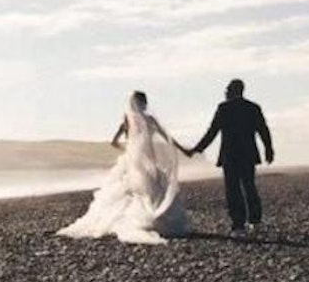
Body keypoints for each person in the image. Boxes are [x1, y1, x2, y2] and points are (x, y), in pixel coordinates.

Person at [58, 91, 188, 244]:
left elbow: (114, 142)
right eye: (144, 101)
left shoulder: (127, 121)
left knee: (131, 189)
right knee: (150, 188)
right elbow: (168, 138)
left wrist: (130, 151)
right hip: (148, 159)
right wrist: (184, 150)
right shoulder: (149, 120)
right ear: (143, 103)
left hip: (132, 160)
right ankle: (155, 220)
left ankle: (131, 219)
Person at [183, 79, 274, 239]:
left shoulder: (224, 108)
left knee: (233, 190)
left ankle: (239, 225)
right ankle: (255, 221)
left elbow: (212, 132)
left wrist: (197, 150)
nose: (225, 93)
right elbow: (263, 130)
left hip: (230, 155)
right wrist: (268, 149)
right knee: (249, 186)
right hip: (248, 154)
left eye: (227, 90)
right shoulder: (252, 108)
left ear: (232, 91)